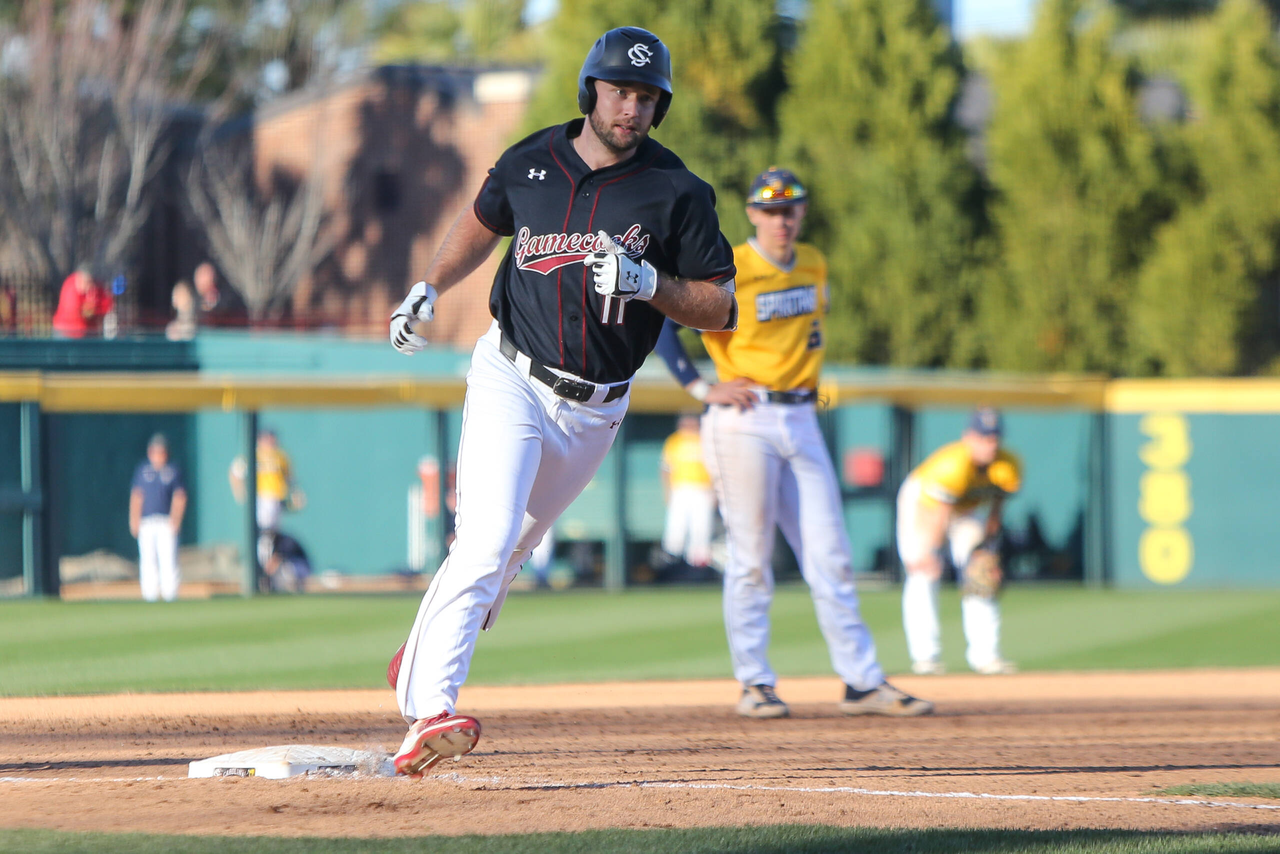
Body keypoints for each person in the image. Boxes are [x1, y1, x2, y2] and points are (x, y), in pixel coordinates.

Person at [383, 27, 739, 778]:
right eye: (621, 91)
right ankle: (428, 707)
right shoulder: (531, 162)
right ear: (591, 90)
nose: (633, 107)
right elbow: (482, 223)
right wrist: (429, 286)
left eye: (647, 97)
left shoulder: (676, 192)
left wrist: (653, 287)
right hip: (511, 375)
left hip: (597, 409)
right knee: (484, 539)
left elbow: (722, 306)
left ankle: (419, 657)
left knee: (509, 555)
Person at [655, 166, 933, 720]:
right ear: (753, 213)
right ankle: (754, 682)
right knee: (752, 555)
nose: (782, 218)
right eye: (772, 209)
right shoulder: (729, 263)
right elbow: (664, 320)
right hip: (745, 417)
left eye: (791, 209)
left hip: (803, 416)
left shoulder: (813, 262)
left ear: (802, 213)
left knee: (831, 555)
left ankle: (862, 681)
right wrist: (700, 386)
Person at [898, 407, 1022, 676]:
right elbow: (939, 515)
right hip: (923, 503)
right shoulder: (952, 466)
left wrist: (985, 551)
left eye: (994, 438)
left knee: (981, 574)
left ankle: (987, 656)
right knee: (923, 572)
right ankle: (926, 657)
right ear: (968, 437)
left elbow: (995, 513)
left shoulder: (1008, 465)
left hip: (965, 510)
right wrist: (931, 551)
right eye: (983, 437)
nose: (991, 444)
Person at [229, 429, 305, 570]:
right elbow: (234, 473)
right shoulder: (253, 454)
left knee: (272, 536)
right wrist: (241, 493)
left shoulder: (281, 456)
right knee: (264, 534)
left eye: (272, 438)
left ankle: (266, 567)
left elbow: (291, 479)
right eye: (267, 439)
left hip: (276, 499)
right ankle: (261, 567)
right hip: (261, 499)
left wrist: (296, 493)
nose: (270, 441)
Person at [129, 433, 187, 602]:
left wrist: (176, 520)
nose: (158, 455)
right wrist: (134, 519)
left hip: (165, 522)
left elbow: (180, 496)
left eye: (161, 452)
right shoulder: (143, 470)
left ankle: (170, 596)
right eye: (155, 451)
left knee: (168, 560)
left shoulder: (173, 471)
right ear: (150, 452)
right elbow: (137, 496)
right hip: (146, 522)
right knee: (148, 560)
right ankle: (150, 596)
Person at [659, 413, 716, 569]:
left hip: (703, 488)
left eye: (691, 424)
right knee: (676, 526)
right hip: (680, 488)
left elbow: (714, 469)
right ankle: (673, 560)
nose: (688, 427)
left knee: (701, 526)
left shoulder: (705, 440)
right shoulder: (674, 441)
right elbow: (665, 469)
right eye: (685, 424)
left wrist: (715, 492)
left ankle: (699, 562)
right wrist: (667, 492)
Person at [51, 265, 114, 338]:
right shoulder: (71, 287)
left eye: (90, 282)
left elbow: (106, 304)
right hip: (67, 332)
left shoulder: (95, 287)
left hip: (89, 332)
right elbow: (78, 312)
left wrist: (94, 308)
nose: (89, 286)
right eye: (86, 282)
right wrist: (92, 308)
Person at [192, 261, 247, 327]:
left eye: (202, 276)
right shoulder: (194, 301)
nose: (198, 280)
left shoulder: (227, 298)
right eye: (197, 277)